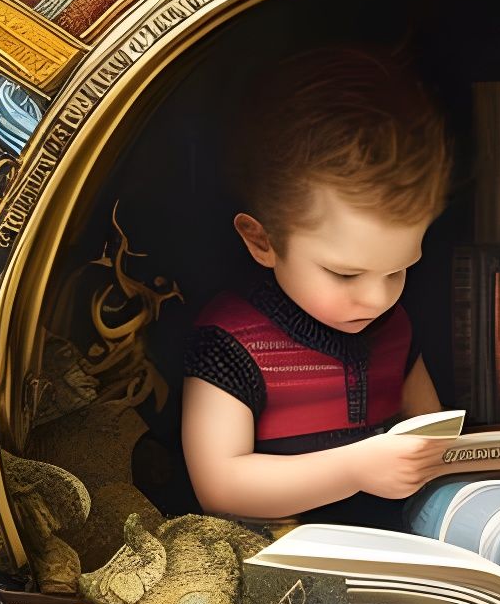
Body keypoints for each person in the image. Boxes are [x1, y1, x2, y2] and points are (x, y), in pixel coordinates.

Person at [181, 47, 453, 522]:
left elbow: (435, 441)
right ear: (262, 240)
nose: (377, 299)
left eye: (398, 270)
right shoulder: (229, 343)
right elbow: (220, 487)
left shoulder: (395, 330)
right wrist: (354, 469)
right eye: (345, 274)